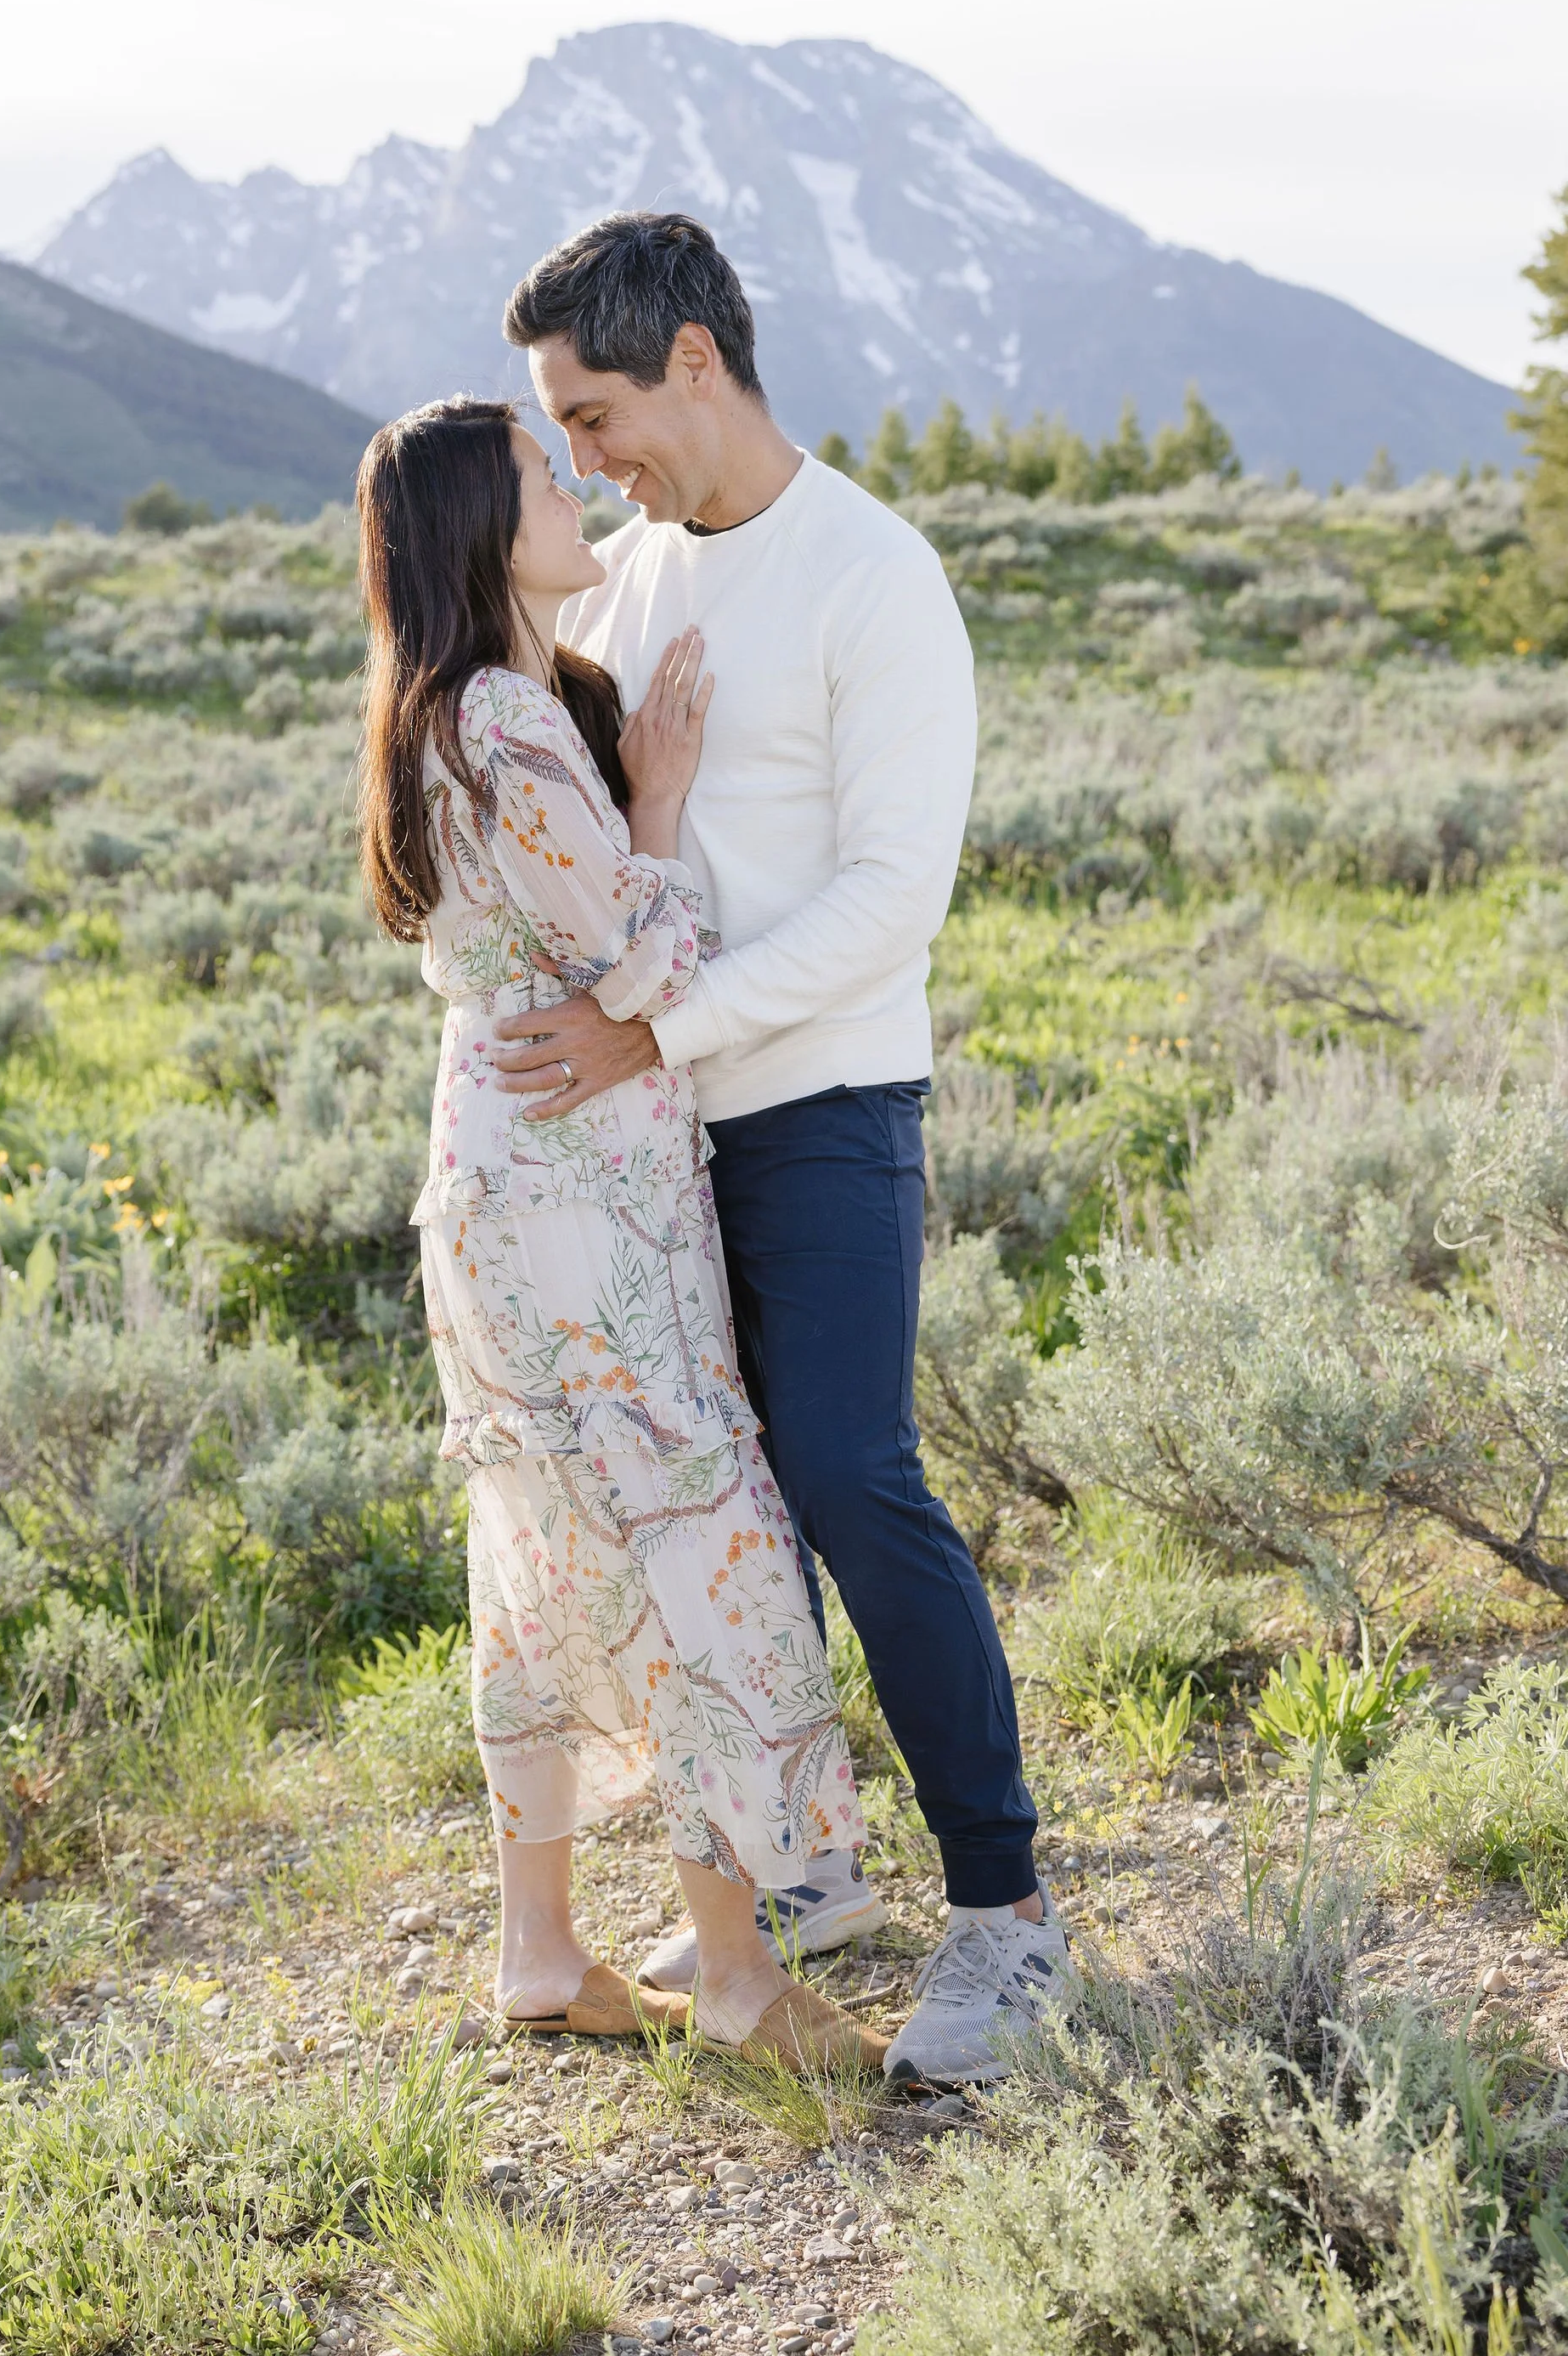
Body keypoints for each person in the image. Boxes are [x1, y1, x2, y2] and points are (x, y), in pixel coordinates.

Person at [488, 212, 1076, 2086]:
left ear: (690, 361)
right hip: (640, 1145)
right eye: (555, 431)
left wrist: (661, 1021)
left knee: (843, 1474)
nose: (586, 454)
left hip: (818, 1108)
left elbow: (894, 900)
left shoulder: (871, 575)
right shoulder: (619, 579)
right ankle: (792, 1881)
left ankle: (1008, 1915)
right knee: (711, 1518)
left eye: (594, 410)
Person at [354, 393, 886, 2071]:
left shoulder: (448, 713)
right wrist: (656, 795)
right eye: (535, 471)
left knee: (539, 1553)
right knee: (698, 1544)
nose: (573, 479)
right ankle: (738, 1977)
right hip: (580, 1199)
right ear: (473, 528)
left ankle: (539, 1951)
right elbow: (650, 961)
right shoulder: (505, 720)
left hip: (503, 1184)